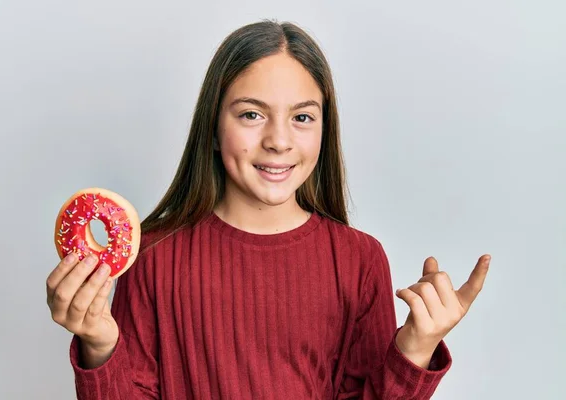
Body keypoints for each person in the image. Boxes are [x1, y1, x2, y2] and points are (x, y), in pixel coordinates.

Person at [46, 20, 491, 399]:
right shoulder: (154, 254)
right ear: (214, 129)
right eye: (251, 115)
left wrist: (414, 349)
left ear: (324, 129)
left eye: (302, 117)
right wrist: (101, 348)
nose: (278, 141)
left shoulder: (360, 260)